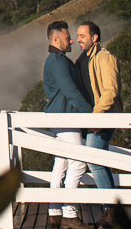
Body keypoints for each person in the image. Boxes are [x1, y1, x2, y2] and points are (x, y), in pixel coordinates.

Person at [43, 20, 93, 229]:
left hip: (62, 118)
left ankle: (55, 212)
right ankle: (70, 215)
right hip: (65, 118)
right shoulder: (56, 61)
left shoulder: (58, 60)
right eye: (67, 38)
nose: (71, 40)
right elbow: (71, 91)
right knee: (79, 163)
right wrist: (91, 114)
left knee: (61, 164)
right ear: (56, 39)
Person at [76, 21, 122, 229]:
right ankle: (111, 211)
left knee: (94, 160)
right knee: (98, 161)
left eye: (82, 35)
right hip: (92, 118)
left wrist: (96, 116)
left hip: (102, 117)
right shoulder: (83, 59)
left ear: (94, 37)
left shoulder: (105, 58)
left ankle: (111, 211)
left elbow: (110, 92)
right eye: (77, 36)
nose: (78, 39)